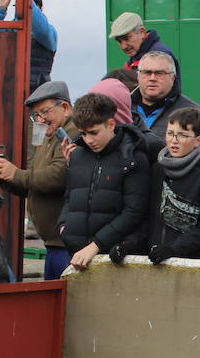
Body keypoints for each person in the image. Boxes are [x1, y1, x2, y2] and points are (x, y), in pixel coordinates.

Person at [0, 80, 77, 280]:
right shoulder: (51, 136)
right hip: (54, 243)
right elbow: (34, 185)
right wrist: (5, 178)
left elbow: (57, 177)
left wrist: (16, 174)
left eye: (45, 112)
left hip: (66, 245)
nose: (41, 119)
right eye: (37, 115)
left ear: (65, 108)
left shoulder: (73, 133)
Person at [58, 92, 151, 271]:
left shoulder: (133, 158)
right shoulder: (77, 155)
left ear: (110, 124)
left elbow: (134, 212)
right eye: (83, 133)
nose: (89, 140)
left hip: (115, 258)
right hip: (75, 253)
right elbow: (70, 197)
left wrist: (95, 245)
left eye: (94, 132)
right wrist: (63, 226)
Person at [146, 106, 200, 263]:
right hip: (155, 259)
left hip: (192, 263)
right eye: (170, 133)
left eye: (182, 135)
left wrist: (174, 249)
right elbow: (146, 216)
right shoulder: (157, 170)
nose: (174, 141)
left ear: (198, 140)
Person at [130, 52, 200, 169]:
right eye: (147, 72)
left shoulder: (194, 112)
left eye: (160, 73)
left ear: (173, 78)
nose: (152, 78)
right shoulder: (123, 108)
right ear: (138, 75)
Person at [0, 0, 57, 93]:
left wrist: (27, 1)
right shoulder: (10, 30)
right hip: (9, 92)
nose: (25, 9)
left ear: (40, 9)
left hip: (38, 95)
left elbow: (42, 31)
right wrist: (0, 8)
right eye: (20, 5)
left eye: (29, 6)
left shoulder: (49, 31)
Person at [110, 11, 175, 70]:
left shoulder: (159, 55)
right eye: (119, 41)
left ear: (142, 32)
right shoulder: (136, 57)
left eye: (127, 38)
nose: (123, 46)